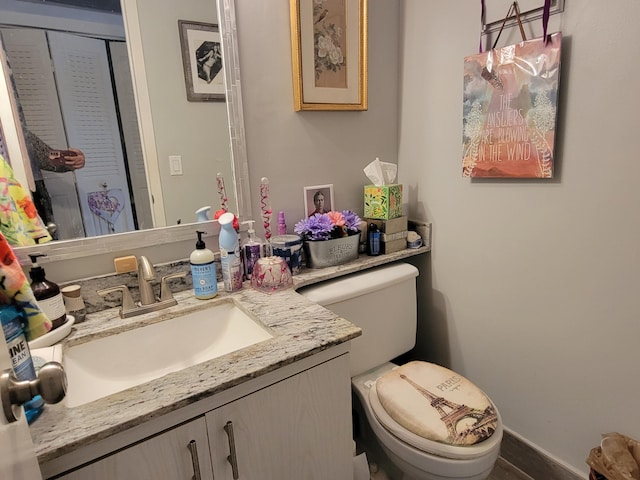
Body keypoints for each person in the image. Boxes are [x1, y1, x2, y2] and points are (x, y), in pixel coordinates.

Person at [24, 129, 85, 239]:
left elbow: (47, 157)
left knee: (45, 243)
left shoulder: (16, 129)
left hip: (35, 199)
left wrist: (71, 161)